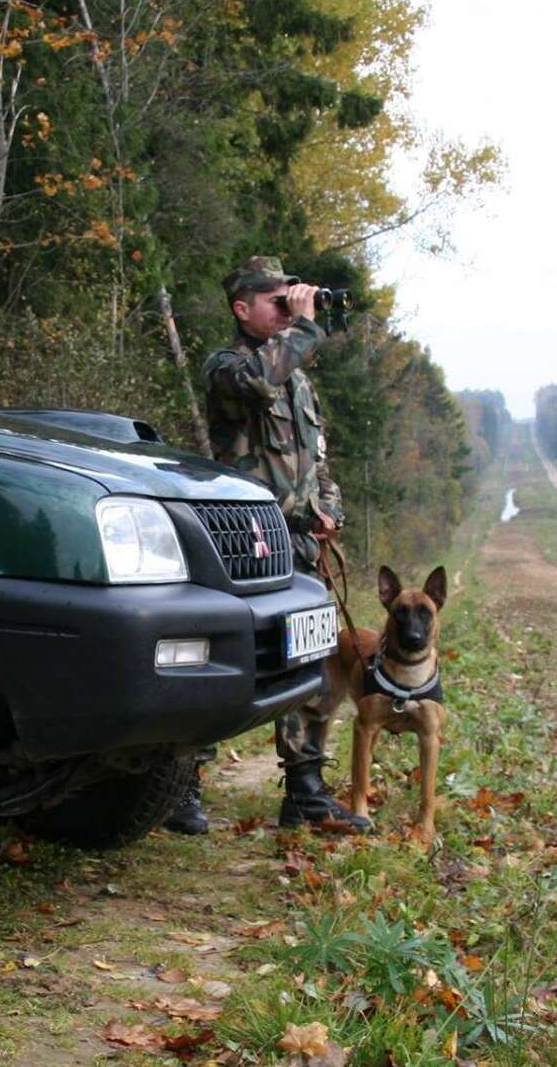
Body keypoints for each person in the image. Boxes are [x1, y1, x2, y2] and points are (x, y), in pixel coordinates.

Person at [172, 255, 368, 834]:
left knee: (311, 663)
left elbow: (318, 459)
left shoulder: (296, 376)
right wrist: (305, 328)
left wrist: (329, 509)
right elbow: (257, 380)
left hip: (300, 543)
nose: (289, 310)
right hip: (245, 544)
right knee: (225, 662)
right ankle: (180, 787)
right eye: (277, 303)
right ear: (242, 308)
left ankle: (305, 790)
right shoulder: (228, 366)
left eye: (292, 300)